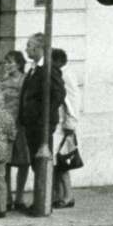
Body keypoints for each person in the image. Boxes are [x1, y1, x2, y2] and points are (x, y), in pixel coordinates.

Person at [15, 34, 65, 213]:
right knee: (37, 163)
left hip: (41, 125)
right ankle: (42, 199)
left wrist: (43, 116)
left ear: (38, 49)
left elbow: (59, 94)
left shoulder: (48, 68)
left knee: (41, 162)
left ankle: (45, 201)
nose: (27, 49)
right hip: (31, 124)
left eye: (29, 46)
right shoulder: (34, 68)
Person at [0, 53, 24, 214]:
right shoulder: (1, 81)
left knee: (22, 162)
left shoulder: (23, 80)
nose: (7, 65)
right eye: (5, 62)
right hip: (3, 127)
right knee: (3, 164)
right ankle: (5, 199)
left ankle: (19, 196)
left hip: (18, 125)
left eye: (10, 62)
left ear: (18, 64)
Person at [50, 49, 78, 209]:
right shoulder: (60, 74)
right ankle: (59, 194)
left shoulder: (66, 75)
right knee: (57, 163)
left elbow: (73, 100)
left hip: (63, 126)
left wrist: (71, 124)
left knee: (62, 162)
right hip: (60, 125)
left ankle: (67, 196)